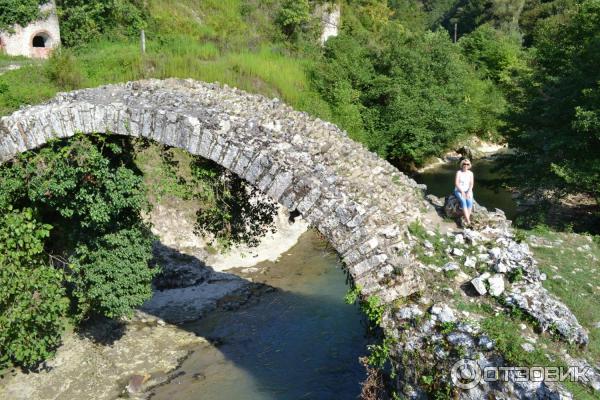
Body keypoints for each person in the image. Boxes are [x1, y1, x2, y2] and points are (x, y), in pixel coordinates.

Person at [454, 158, 474, 226]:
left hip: (468, 190)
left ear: (469, 165)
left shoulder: (471, 173)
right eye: (464, 164)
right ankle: (468, 221)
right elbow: (456, 183)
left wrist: (468, 192)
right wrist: (462, 192)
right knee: (463, 201)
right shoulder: (459, 172)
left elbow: (471, 184)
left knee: (470, 202)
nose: (465, 165)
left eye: (467, 164)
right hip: (459, 190)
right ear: (462, 165)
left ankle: (465, 219)